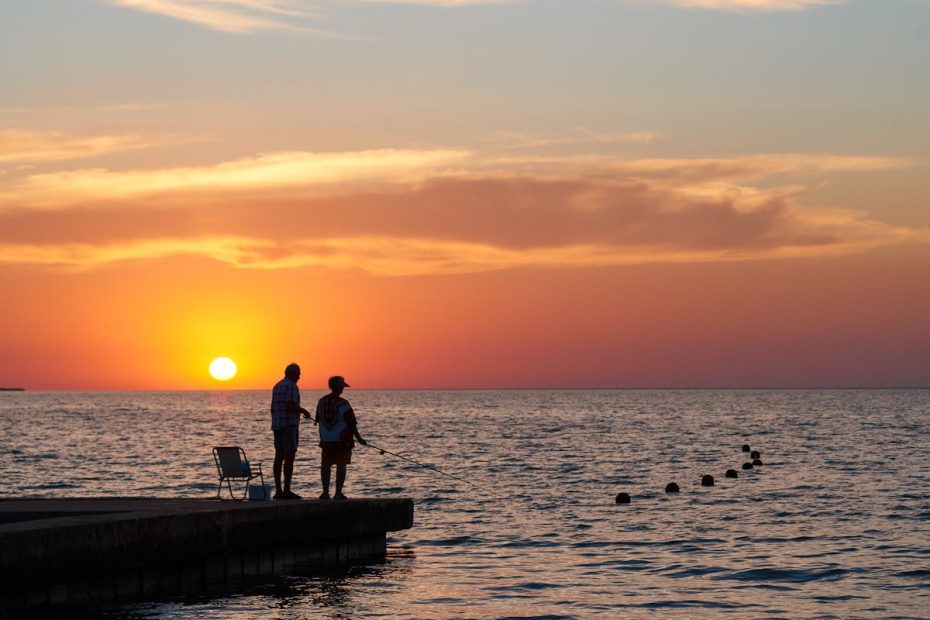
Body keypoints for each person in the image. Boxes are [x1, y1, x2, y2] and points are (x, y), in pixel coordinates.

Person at [316, 375, 366, 500]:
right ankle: (338, 493)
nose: (343, 389)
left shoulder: (321, 402)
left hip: (326, 440)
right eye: (342, 386)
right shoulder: (343, 404)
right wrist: (359, 438)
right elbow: (352, 423)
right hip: (342, 440)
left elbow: (317, 419)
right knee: (341, 465)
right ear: (339, 387)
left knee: (325, 465)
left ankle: (325, 493)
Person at [270, 363, 312, 499]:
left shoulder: (277, 386)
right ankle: (287, 490)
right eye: (298, 373)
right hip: (289, 425)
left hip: (277, 425)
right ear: (292, 374)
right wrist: (304, 411)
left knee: (278, 457)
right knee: (289, 457)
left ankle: (278, 490)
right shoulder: (292, 386)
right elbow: (290, 405)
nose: (299, 376)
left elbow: (272, 408)